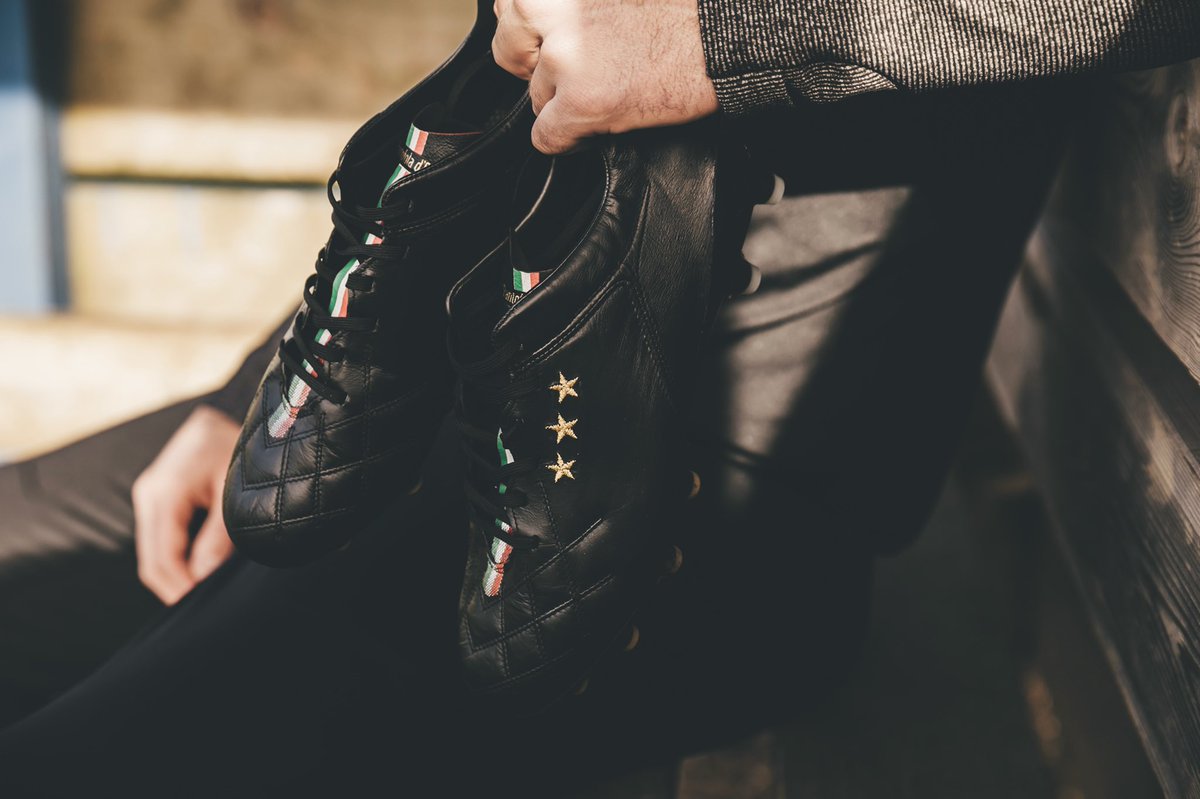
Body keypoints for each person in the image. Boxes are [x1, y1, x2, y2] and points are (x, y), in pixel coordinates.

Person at [0, 1, 1196, 795]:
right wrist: (260, 386)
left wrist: (718, 32)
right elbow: (518, 77)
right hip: (439, 386)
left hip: (682, 505)